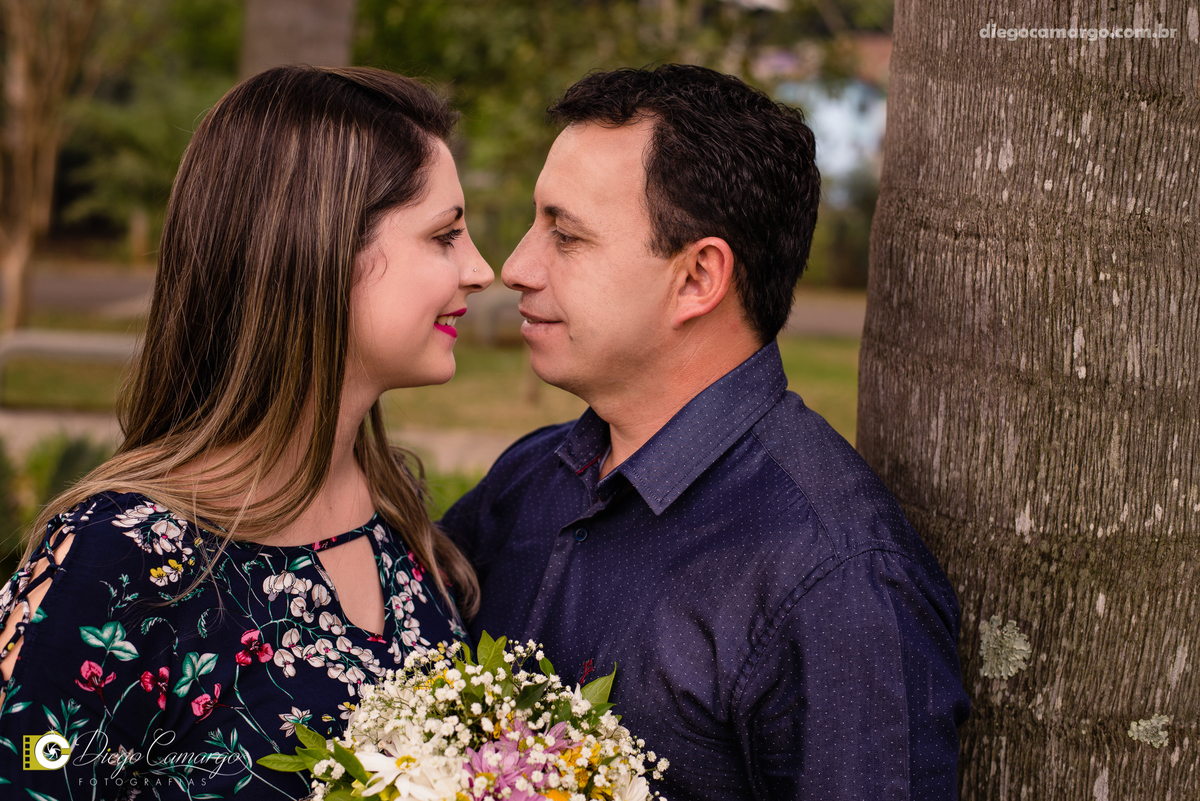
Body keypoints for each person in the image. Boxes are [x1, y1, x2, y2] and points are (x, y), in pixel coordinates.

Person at [440, 64, 970, 800]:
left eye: (566, 235)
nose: (515, 266)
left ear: (697, 277)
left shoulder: (835, 583)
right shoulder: (530, 480)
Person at [0, 65, 492, 799]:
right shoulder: (119, 563)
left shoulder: (399, 513)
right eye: (445, 235)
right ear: (320, 249)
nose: (481, 269)